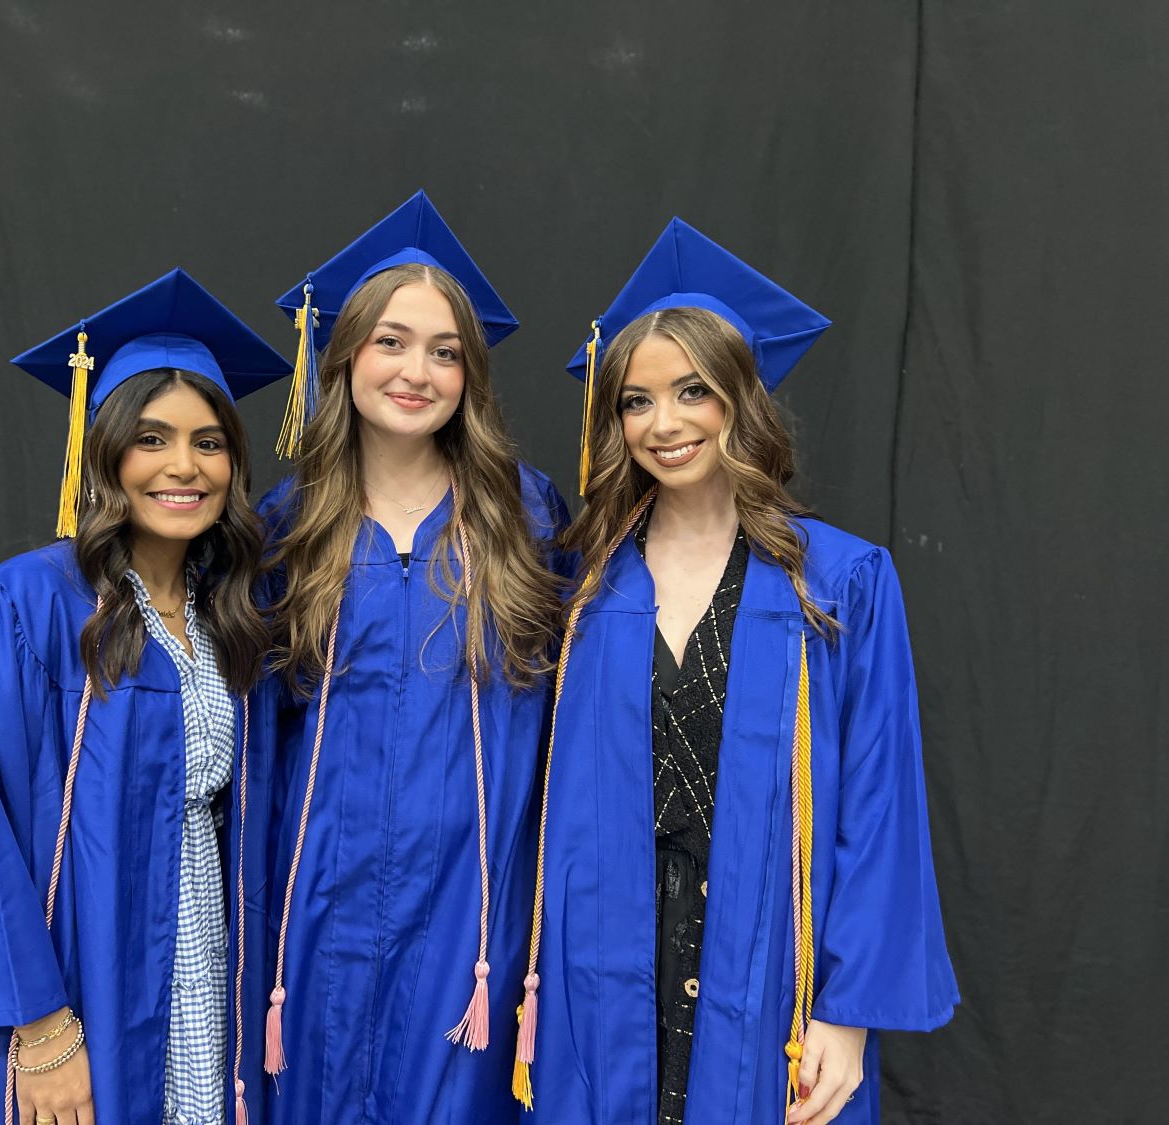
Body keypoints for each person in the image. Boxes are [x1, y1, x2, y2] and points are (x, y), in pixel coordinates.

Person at [511, 219, 958, 1125]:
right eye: (636, 401)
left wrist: (847, 1011)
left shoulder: (837, 582)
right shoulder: (582, 582)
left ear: (741, 401)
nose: (663, 423)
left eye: (692, 391)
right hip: (602, 972)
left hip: (768, 972)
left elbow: (881, 809)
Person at [0, 269, 292, 1125]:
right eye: (151, 438)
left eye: (209, 442)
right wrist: (39, 1024)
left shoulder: (234, 610)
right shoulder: (22, 606)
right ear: (104, 450)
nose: (184, 465)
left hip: (202, 956)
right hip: (81, 968)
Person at [234, 191, 570, 1125]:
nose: (416, 370)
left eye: (444, 349)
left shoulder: (527, 516)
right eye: (390, 341)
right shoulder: (284, 528)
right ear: (342, 358)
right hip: (315, 901)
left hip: (470, 902)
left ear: (471, 374)